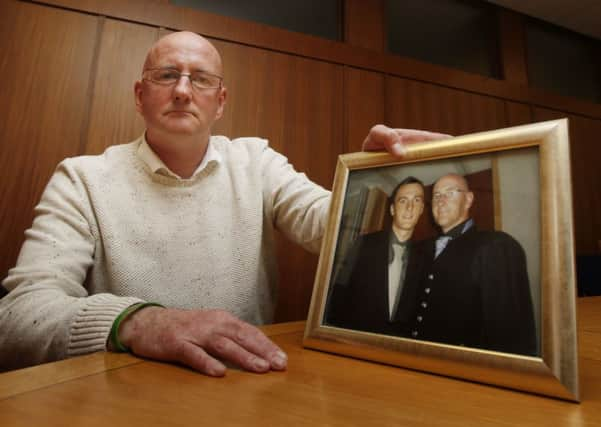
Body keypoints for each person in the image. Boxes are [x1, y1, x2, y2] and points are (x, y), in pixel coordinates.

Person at [0, 31, 448, 374]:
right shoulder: (82, 178)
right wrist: (138, 323)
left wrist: (372, 176)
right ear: (141, 96)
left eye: (200, 79)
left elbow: (326, 228)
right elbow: (20, 317)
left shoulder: (255, 160)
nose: (182, 90)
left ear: (220, 102)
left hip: (242, 382)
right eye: (166, 75)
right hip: (119, 387)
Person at [405, 173, 537, 355]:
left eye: (449, 193)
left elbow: (510, 335)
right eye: (436, 195)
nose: (440, 201)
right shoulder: (419, 249)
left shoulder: (496, 245)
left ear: (468, 200)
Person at [325, 177, 426, 336]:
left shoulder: (425, 257)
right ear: (392, 209)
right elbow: (339, 293)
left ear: (421, 209)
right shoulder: (363, 244)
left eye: (417, 200)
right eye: (403, 200)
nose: (409, 207)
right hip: (357, 342)